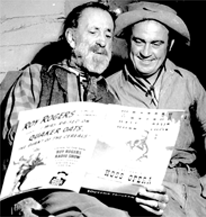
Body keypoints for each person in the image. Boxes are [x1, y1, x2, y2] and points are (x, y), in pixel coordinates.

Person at [1, 1, 168, 217]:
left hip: (99, 196)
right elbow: (15, 142)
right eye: (94, 32)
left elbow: (122, 164)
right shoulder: (37, 76)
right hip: (47, 192)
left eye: (108, 35)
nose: (102, 42)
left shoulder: (109, 94)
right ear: (72, 38)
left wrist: (145, 192)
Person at [106, 1, 206, 217]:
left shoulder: (187, 80)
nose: (146, 52)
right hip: (147, 190)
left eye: (156, 43)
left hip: (192, 182)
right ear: (128, 42)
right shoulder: (108, 89)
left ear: (169, 46)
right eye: (139, 41)